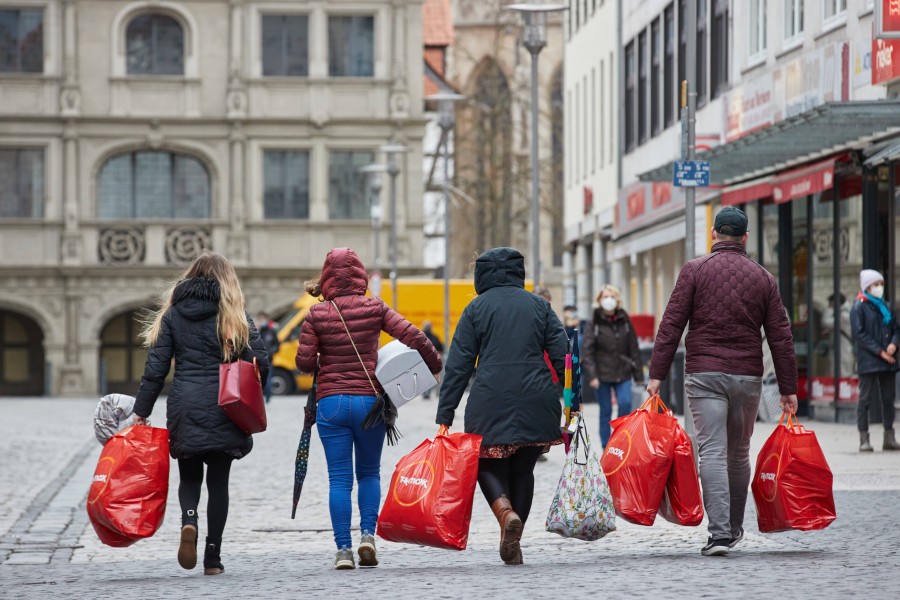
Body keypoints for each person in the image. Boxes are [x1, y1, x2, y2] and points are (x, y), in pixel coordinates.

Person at [646, 207, 798, 557]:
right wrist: (788, 388)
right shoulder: (763, 278)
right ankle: (733, 528)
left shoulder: (694, 271)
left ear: (714, 233)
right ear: (745, 237)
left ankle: (719, 535)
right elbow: (781, 337)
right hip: (747, 376)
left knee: (712, 450)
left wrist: (657, 375)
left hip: (704, 375)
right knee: (739, 452)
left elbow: (671, 325)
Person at [295, 248, 442, 570]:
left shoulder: (317, 314)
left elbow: (304, 364)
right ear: (360, 275)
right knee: (369, 473)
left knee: (339, 480)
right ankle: (367, 537)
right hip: (368, 404)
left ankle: (343, 551)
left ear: (326, 277)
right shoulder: (374, 307)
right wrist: (434, 364)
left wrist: (324, 356)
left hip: (331, 403)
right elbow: (413, 335)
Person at [132, 252, 270, 575]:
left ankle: (188, 521)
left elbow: (156, 369)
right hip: (226, 406)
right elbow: (260, 362)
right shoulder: (234, 315)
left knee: (189, 476)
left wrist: (141, 410)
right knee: (218, 483)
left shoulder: (174, 315)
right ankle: (213, 558)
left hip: (185, 404)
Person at [436, 247, 568, 566]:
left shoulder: (476, 309)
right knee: (524, 469)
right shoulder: (540, 306)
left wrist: (445, 415)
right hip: (538, 398)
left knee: (485, 464)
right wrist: (571, 404)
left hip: (489, 399)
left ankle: (505, 514)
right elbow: (565, 354)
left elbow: (458, 365)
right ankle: (515, 540)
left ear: (482, 275)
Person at [581, 285, 643, 448]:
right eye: (604, 297)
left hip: (623, 371)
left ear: (617, 300)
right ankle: (606, 448)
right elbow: (587, 351)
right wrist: (592, 375)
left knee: (625, 404)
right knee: (606, 411)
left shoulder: (625, 320)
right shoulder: (593, 322)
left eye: (611, 296)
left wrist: (639, 376)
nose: (608, 300)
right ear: (599, 301)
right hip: (601, 374)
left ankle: (620, 444)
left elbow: (633, 348)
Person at [849, 269, 900, 452]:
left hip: (888, 360)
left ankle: (889, 436)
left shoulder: (886, 306)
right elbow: (859, 334)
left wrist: (894, 343)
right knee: (865, 399)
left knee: (888, 399)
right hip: (869, 361)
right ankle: (864, 437)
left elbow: (896, 328)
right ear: (867, 287)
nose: (879, 287)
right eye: (875, 284)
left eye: (881, 284)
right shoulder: (859, 307)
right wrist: (880, 352)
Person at [256, 311, 280, 403]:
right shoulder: (256, 331)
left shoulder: (271, 331)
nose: (261, 321)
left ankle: (268, 398)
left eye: (263, 319)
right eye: (260, 319)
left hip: (268, 359)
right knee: (258, 380)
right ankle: (260, 399)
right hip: (258, 360)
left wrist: (271, 351)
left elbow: (277, 345)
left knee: (268, 379)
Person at [421, 320, 444, 399]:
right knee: (434, 376)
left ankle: (426, 393)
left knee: (424, 377)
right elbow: (441, 348)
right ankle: (436, 392)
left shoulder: (420, 337)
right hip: (433, 360)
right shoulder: (435, 337)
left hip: (422, 360)